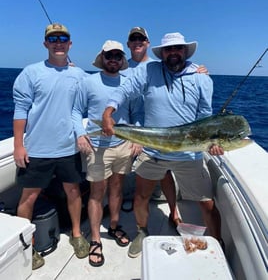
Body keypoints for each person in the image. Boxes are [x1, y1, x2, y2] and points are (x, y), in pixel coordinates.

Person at [102, 31, 223, 258]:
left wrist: (211, 143)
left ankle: (219, 243)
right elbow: (125, 90)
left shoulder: (201, 78)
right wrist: (109, 109)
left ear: (185, 51)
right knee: (141, 197)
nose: (173, 52)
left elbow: (206, 116)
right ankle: (141, 231)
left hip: (188, 155)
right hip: (153, 151)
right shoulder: (149, 70)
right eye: (169, 49)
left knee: (206, 203)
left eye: (178, 48)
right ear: (162, 53)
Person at [13, 23, 89, 270]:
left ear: (70, 44)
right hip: (36, 149)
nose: (58, 42)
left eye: (63, 38)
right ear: (45, 44)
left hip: (68, 148)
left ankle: (77, 234)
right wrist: (18, 146)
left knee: (74, 192)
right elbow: (20, 110)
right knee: (29, 197)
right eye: (53, 39)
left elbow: (106, 85)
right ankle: (28, 245)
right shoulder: (30, 73)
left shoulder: (79, 75)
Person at [124, 27, 208, 230]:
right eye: (133, 39)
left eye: (141, 38)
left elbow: (204, 113)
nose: (137, 42)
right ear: (127, 45)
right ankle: (138, 226)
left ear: (147, 43)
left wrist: (197, 73)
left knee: (169, 176)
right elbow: (111, 86)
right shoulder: (121, 65)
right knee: (147, 185)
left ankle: (174, 212)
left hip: (168, 136)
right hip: (144, 132)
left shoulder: (154, 66)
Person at [71, 40, 143, 267]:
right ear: (102, 58)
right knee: (96, 192)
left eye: (117, 56)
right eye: (109, 55)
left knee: (117, 188)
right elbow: (74, 111)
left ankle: (113, 226)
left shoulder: (129, 83)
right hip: (97, 146)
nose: (113, 59)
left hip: (123, 145)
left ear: (122, 60)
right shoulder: (88, 82)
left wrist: (137, 139)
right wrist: (80, 134)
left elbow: (137, 113)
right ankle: (94, 238)